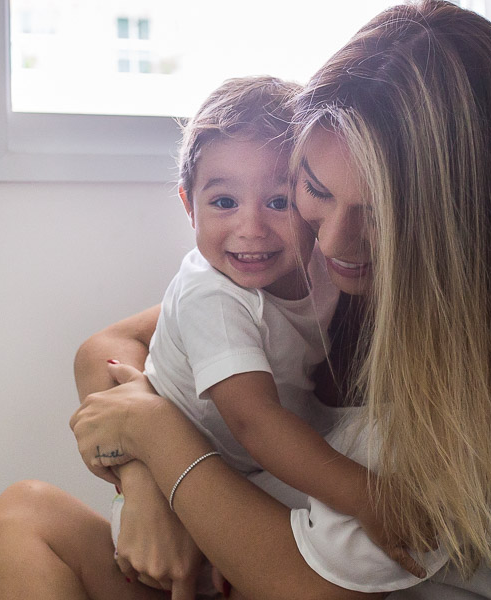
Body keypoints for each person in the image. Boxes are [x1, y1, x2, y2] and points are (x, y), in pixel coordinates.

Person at [0, 2, 491, 599]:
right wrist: (147, 491)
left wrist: (153, 435)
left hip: (296, 583)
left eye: (379, 215)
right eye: (315, 190)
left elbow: (308, 590)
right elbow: (108, 350)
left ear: (464, 223)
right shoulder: (335, 274)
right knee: (17, 519)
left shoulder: (490, 377)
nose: (335, 242)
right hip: (242, 562)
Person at [108, 75, 418, 596]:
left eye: (277, 202)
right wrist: (362, 495)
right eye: (224, 202)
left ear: (306, 197)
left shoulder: (325, 259)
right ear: (189, 205)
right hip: (182, 481)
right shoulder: (211, 296)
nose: (251, 228)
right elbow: (254, 421)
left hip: (254, 466)